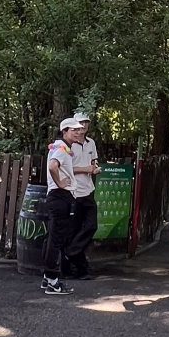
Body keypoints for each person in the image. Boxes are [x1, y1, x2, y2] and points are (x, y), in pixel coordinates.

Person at [41, 123, 75, 295]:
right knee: (56, 239)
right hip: (60, 196)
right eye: (74, 130)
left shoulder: (58, 147)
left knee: (51, 237)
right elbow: (52, 166)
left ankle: (47, 277)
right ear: (64, 131)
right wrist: (60, 183)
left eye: (79, 129)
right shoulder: (61, 148)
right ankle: (53, 281)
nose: (78, 132)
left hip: (56, 196)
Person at [64, 115, 100, 279]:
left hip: (88, 190)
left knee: (91, 226)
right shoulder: (69, 145)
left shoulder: (91, 142)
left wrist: (95, 168)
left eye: (86, 122)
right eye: (80, 123)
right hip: (74, 192)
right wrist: (86, 169)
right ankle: (78, 268)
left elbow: (93, 162)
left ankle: (71, 253)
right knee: (73, 230)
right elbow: (66, 167)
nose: (84, 125)